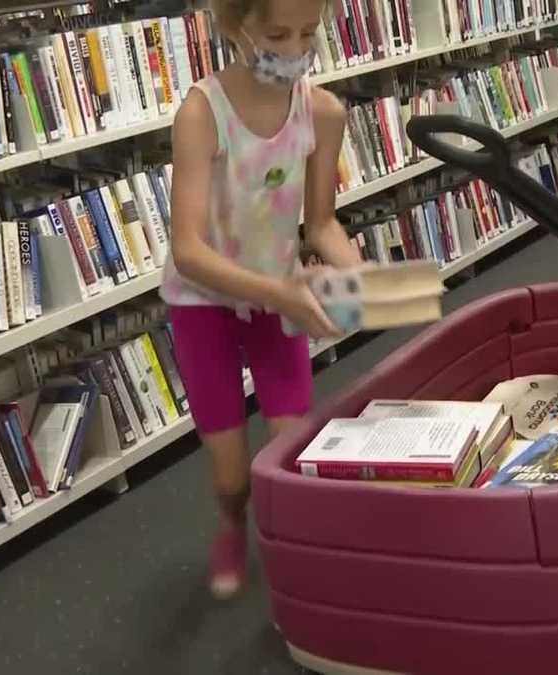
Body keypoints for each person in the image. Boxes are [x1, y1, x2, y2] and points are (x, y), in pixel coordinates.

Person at [161, 0, 361, 599]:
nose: (296, 49)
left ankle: (293, 564)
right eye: (277, 33)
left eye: (309, 32)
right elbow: (188, 250)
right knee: (231, 475)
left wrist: (365, 282)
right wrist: (279, 290)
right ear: (233, 27)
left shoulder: (322, 113)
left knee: (291, 452)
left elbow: (321, 225)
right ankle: (231, 523)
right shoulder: (202, 113)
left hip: (279, 301)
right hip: (203, 306)